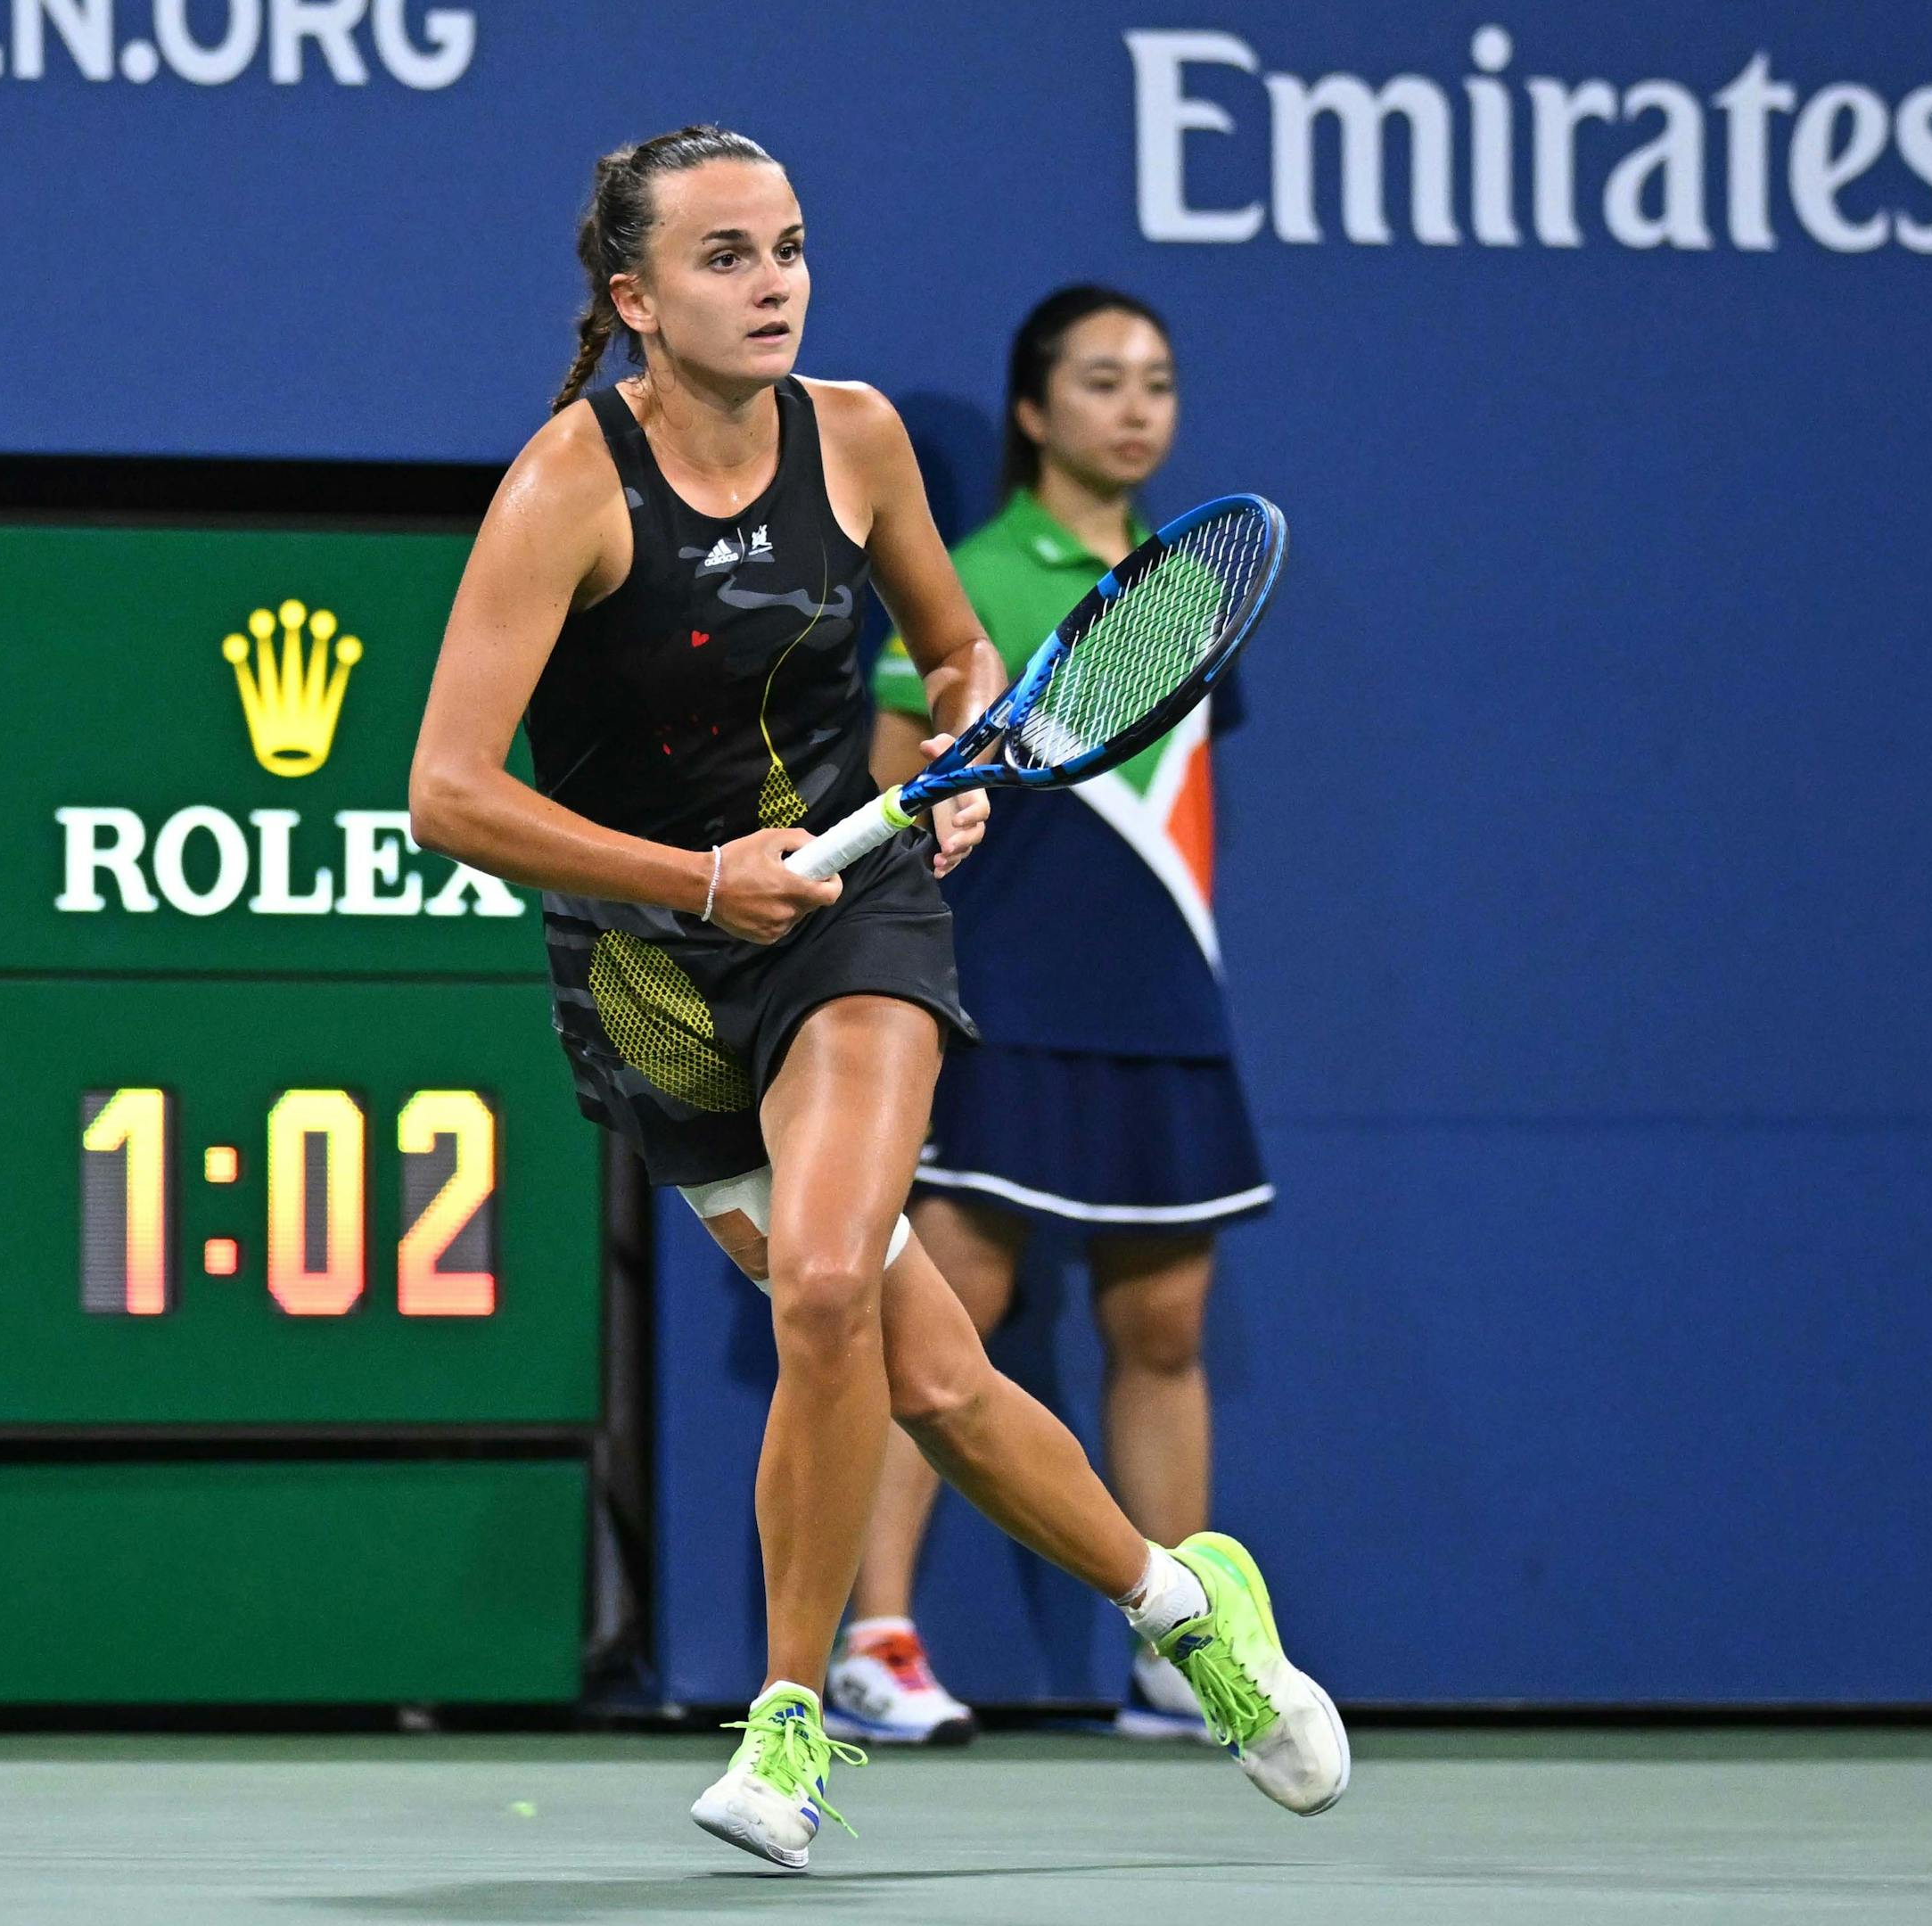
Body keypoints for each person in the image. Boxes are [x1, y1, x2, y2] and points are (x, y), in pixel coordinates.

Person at [407, 129, 1343, 1872]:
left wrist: (963, 742)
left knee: (832, 1283)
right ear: (634, 298)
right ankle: (1183, 1604)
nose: (772, 285)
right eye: (723, 259)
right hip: (658, 974)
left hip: (852, 919)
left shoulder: (861, 441)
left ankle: (786, 1722)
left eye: (789, 250)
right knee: (931, 1372)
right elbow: (447, 792)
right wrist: (694, 881)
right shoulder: (564, 489)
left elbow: (955, 650)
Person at [819, 286, 1272, 1752]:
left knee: (1164, 1318)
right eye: (1100, 381)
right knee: (948, 1309)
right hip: (1007, 987)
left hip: (1159, 986)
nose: (1135, 407)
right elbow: (893, 786)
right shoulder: (971, 576)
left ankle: (1181, 1653)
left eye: (1156, 380)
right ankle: (874, 1640)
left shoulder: (1189, 586)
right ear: (1034, 410)